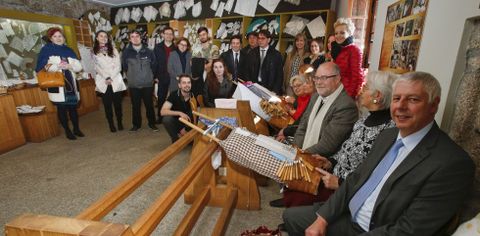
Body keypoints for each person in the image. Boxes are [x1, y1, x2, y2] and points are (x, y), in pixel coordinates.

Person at [284, 72, 475, 236]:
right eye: (397, 98)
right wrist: (323, 219)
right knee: (291, 218)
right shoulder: (389, 135)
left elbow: (411, 229)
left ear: (434, 105)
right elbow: (355, 179)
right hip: (349, 215)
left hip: (377, 229)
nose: (401, 106)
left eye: (413, 99)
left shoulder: (453, 162)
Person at [277, 71, 397, 208]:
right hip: (334, 173)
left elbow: (371, 171)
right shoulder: (364, 120)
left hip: (348, 187)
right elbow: (346, 149)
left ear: (377, 96)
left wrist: (339, 182)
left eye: (366, 87)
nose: (361, 90)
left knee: (297, 196)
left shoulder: (389, 129)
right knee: (293, 187)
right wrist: (330, 162)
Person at [294, 62, 358, 156]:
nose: (319, 82)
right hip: (301, 154)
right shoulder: (315, 97)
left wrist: (302, 155)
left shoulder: (346, 106)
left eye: (324, 78)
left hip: (319, 161)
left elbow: (328, 144)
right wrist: (295, 149)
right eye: (316, 78)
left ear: (337, 79)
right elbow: (302, 127)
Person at [35, 27, 84, 140]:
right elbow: (43, 67)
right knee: (61, 109)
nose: (58, 38)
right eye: (55, 36)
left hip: (70, 84)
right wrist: (57, 66)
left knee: (73, 108)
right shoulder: (46, 50)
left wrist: (69, 66)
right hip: (57, 85)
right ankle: (67, 131)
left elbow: (79, 67)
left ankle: (76, 129)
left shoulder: (69, 50)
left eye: (60, 36)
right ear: (51, 38)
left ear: (63, 38)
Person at [121, 30, 158, 132]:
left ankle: (152, 124)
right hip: (134, 85)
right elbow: (125, 67)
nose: (135, 38)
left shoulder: (149, 51)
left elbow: (154, 66)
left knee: (149, 105)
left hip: (147, 84)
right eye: (132, 36)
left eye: (137, 36)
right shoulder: (126, 53)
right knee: (135, 106)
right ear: (129, 39)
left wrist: (150, 77)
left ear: (141, 38)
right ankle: (136, 125)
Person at [93, 30, 126, 133]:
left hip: (115, 79)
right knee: (107, 105)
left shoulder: (114, 50)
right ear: (97, 38)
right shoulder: (93, 51)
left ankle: (120, 122)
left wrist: (110, 76)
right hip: (104, 81)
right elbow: (96, 67)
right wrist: (106, 77)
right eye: (101, 36)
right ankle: (111, 124)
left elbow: (118, 66)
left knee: (118, 104)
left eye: (105, 36)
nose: (103, 38)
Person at [331, 18, 365, 99]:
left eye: (342, 33)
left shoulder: (354, 50)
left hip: (346, 94)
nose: (338, 36)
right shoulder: (336, 49)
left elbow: (357, 78)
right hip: (335, 91)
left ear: (350, 33)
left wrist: (349, 97)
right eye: (336, 33)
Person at [245, 30, 284, 94]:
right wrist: (249, 84)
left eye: (263, 38)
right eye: (259, 38)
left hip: (270, 88)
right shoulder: (252, 53)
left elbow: (279, 75)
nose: (260, 40)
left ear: (268, 40)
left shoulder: (276, 54)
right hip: (254, 86)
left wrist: (275, 90)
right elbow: (247, 70)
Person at [161, 74, 197, 143]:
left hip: (190, 123)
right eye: (184, 83)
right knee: (166, 119)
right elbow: (162, 111)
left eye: (188, 82)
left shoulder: (194, 94)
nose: (187, 85)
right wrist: (179, 113)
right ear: (179, 85)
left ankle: (186, 137)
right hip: (177, 122)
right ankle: (176, 138)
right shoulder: (173, 95)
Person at [153, 26, 176, 124]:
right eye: (167, 34)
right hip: (162, 76)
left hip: (174, 76)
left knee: (174, 97)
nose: (169, 36)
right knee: (161, 97)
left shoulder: (176, 47)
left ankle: (174, 116)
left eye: (171, 34)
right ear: (163, 35)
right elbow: (154, 62)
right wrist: (155, 76)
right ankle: (161, 116)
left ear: (173, 36)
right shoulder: (157, 47)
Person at [191, 26, 219, 95]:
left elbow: (213, 64)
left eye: (204, 34)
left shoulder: (214, 48)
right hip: (198, 79)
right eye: (200, 35)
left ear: (207, 34)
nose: (202, 37)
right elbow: (193, 64)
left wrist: (200, 65)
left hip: (211, 78)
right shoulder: (195, 49)